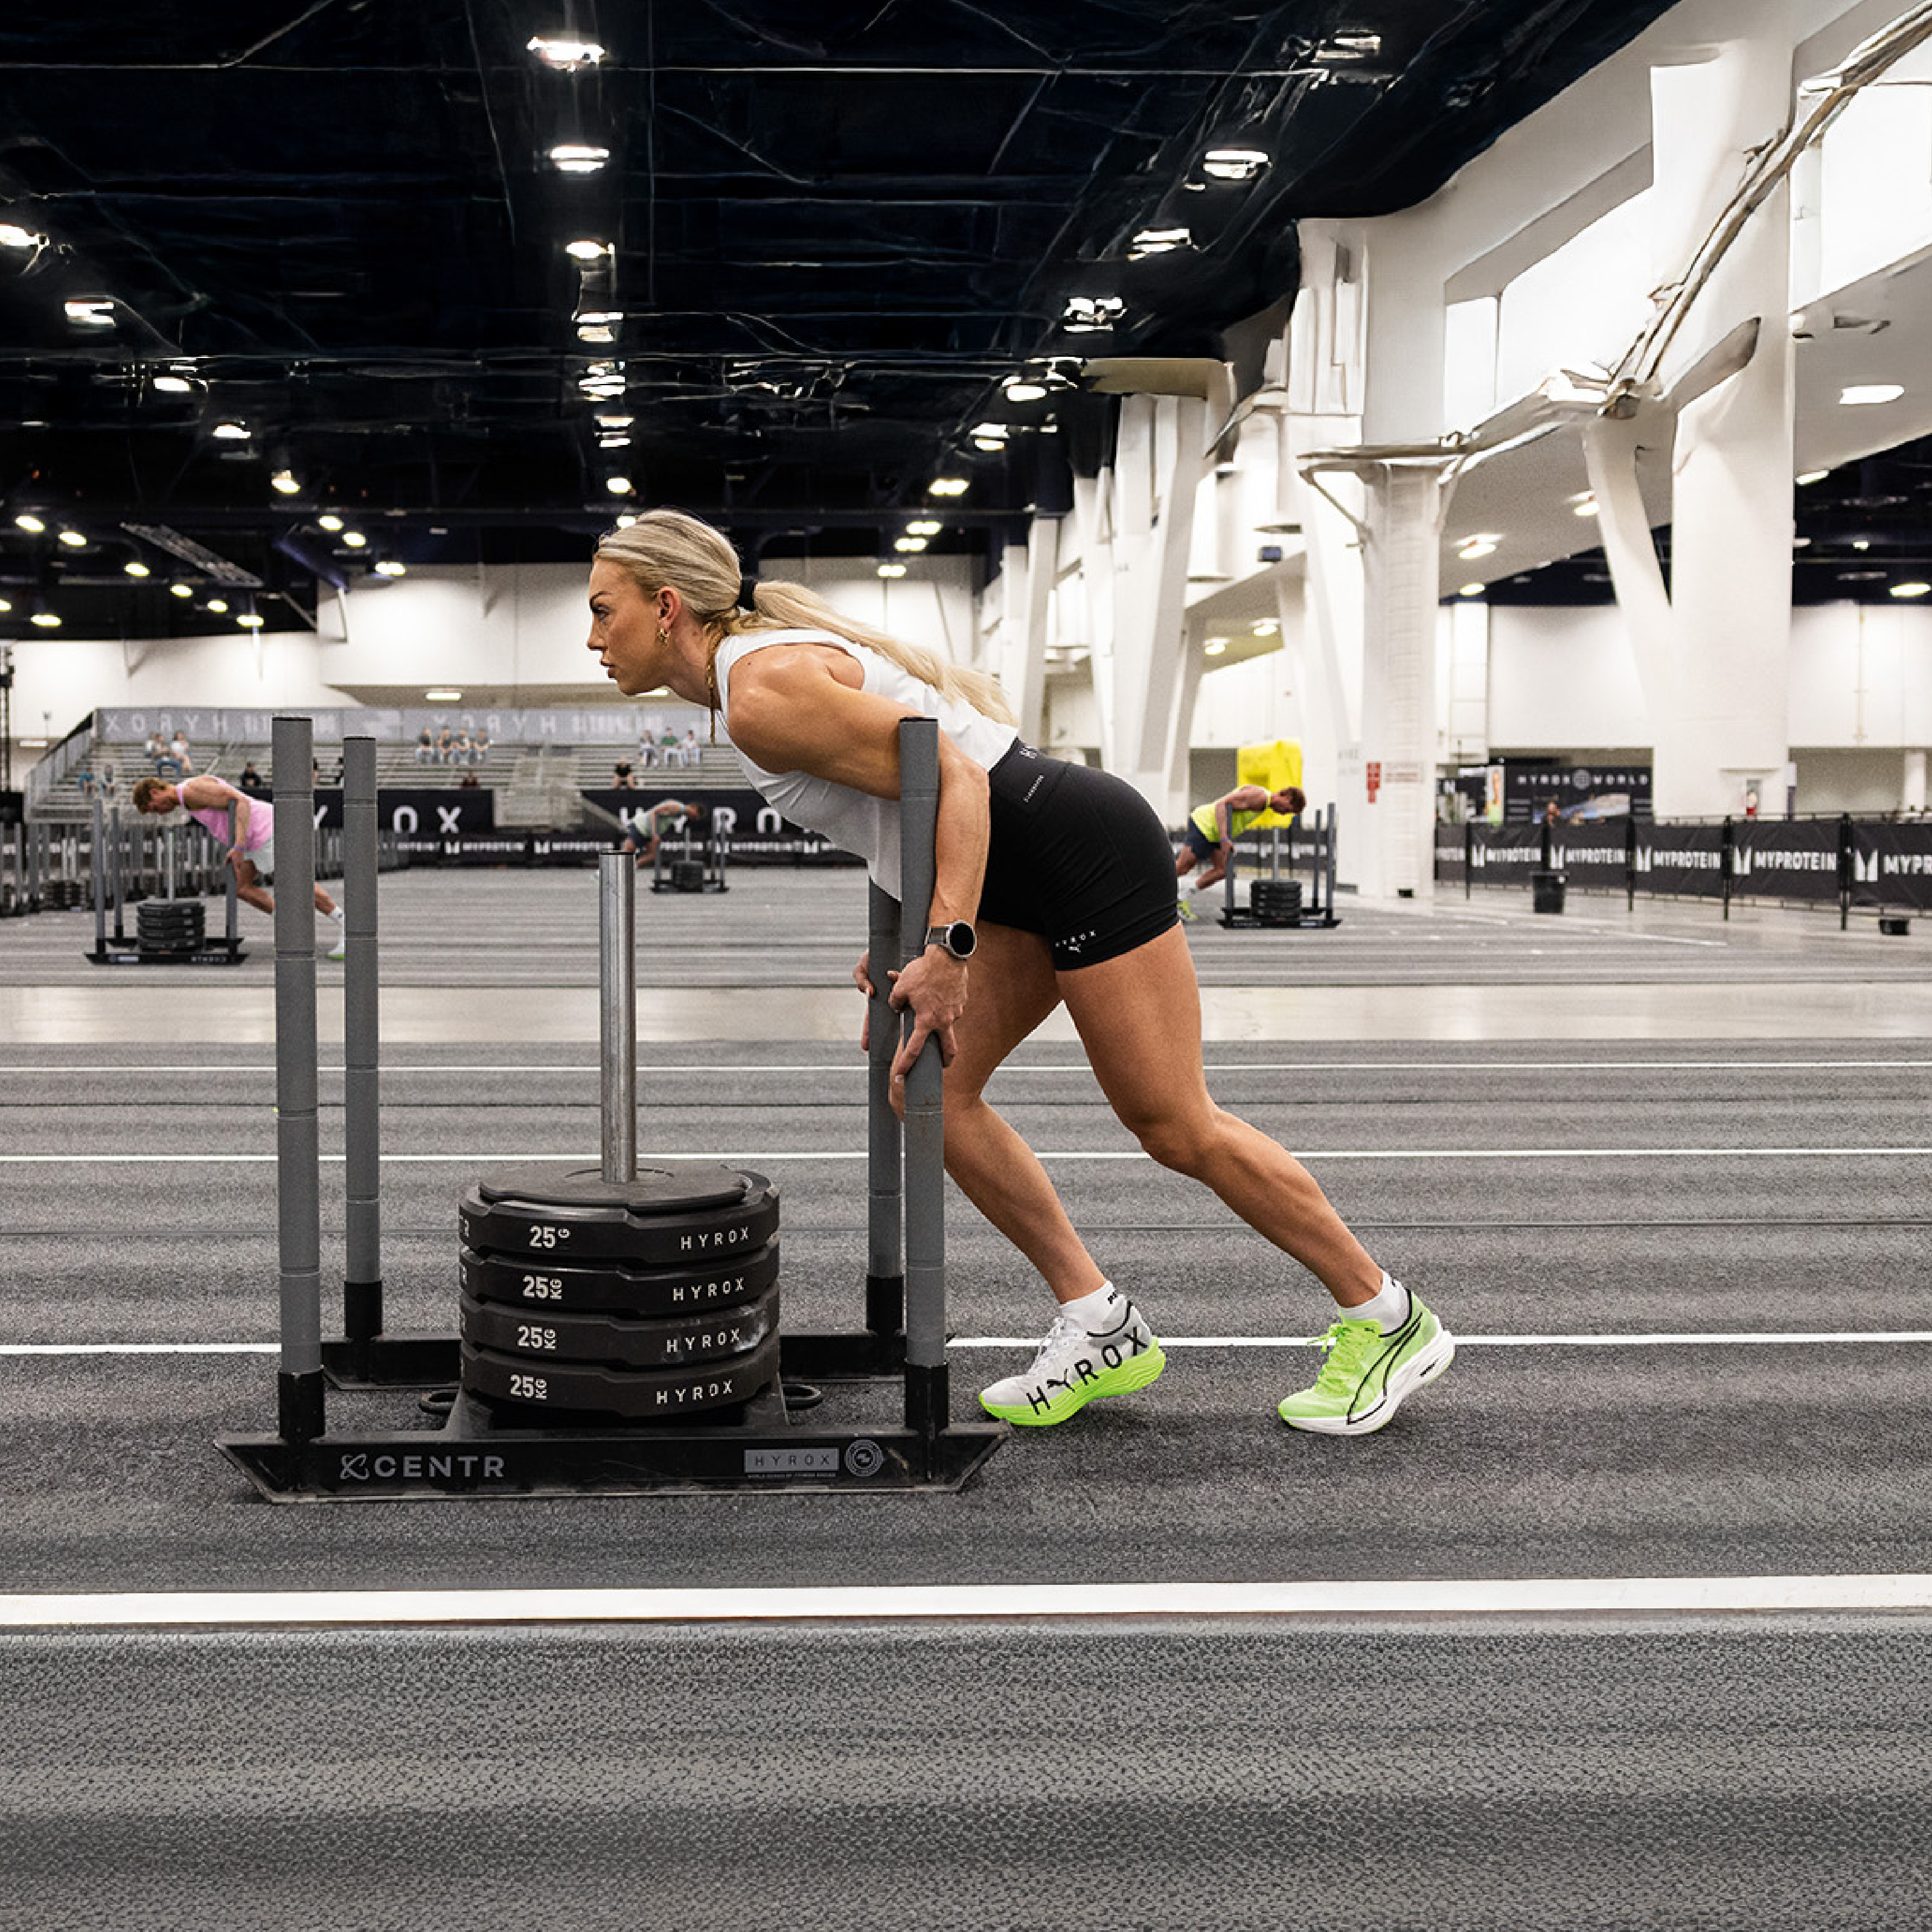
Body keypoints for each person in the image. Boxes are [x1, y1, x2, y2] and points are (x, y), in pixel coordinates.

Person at [586, 508, 1454, 1438]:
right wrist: (916, 937)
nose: (594, 637)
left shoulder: (761, 690)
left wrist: (948, 947)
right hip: (1017, 870)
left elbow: (957, 777)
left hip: (1077, 853)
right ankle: (1099, 1321)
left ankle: (1387, 1317)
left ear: (667, 607)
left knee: (1173, 1124)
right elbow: (902, 810)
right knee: (932, 1094)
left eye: (603, 610)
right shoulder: (749, 683)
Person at [130, 773, 345, 959]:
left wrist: (239, 846)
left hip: (265, 830)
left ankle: (346, 926)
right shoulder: (187, 795)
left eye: (154, 808)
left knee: (297, 883)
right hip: (251, 838)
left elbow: (240, 801)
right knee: (241, 887)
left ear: (154, 792)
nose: (159, 813)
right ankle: (290, 928)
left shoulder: (191, 791)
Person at [1173, 780, 1307, 916]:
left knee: (1224, 870)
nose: (1284, 814)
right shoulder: (1259, 796)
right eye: (1288, 810)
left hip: (1216, 833)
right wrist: (1224, 839)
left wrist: (1225, 839)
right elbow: (1222, 805)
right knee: (1182, 868)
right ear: (1287, 798)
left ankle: (1181, 898)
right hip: (1204, 825)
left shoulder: (1263, 801)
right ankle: (1159, 891)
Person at [621, 798, 703, 869]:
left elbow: (662, 820)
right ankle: (619, 870)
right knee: (629, 850)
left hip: (649, 833)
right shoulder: (676, 807)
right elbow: (653, 814)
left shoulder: (680, 814)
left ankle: (631, 868)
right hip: (640, 826)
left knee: (652, 855)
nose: (694, 819)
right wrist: (655, 834)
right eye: (696, 816)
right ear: (694, 808)